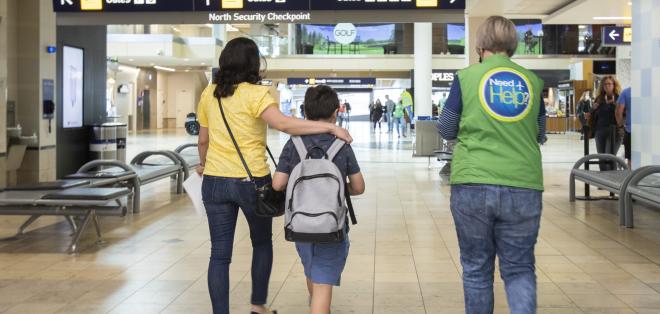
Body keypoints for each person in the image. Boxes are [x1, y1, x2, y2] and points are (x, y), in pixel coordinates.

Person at [196, 37, 352, 314]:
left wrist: (205, 164)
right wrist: (329, 129)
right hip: (251, 182)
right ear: (254, 63)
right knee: (261, 243)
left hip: (214, 183)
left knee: (219, 255)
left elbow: (203, 141)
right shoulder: (256, 94)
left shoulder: (210, 93)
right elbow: (283, 124)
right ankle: (257, 306)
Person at [438, 16, 546, 314]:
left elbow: (446, 128)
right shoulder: (533, 82)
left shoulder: (466, 78)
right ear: (513, 45)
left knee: (476, 268)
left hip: (473, 182)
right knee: (520, 268)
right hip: (523, 184)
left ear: (480, 44)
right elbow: (540, 133)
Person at [272, 85, 365, 314]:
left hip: (300, 223)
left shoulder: (293, 144)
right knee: (323, 284)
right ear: (336, 111)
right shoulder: (341, 144)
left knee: (311, 272)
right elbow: (359, 187)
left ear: (305, 112)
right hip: (332, 225)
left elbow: (278, 184)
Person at [588, 76, 622, 171]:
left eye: (609, 84)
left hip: (614, 131)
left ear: (614, 85)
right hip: (600, 131)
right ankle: (603, 182)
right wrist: (592, 109)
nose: (607, 86)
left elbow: (624, 113)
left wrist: (614, 104)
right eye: (605, 84)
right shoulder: (599, 98)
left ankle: (613, 182)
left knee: (610, 157)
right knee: (601, 158)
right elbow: (592, 114)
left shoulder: (619, 98)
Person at [616, 86, 632, 168]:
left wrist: (621, 127)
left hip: (631, 131)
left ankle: (632, 180)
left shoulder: (626, 92)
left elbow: (618, 112)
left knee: (631, 160)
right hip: (652, 130)